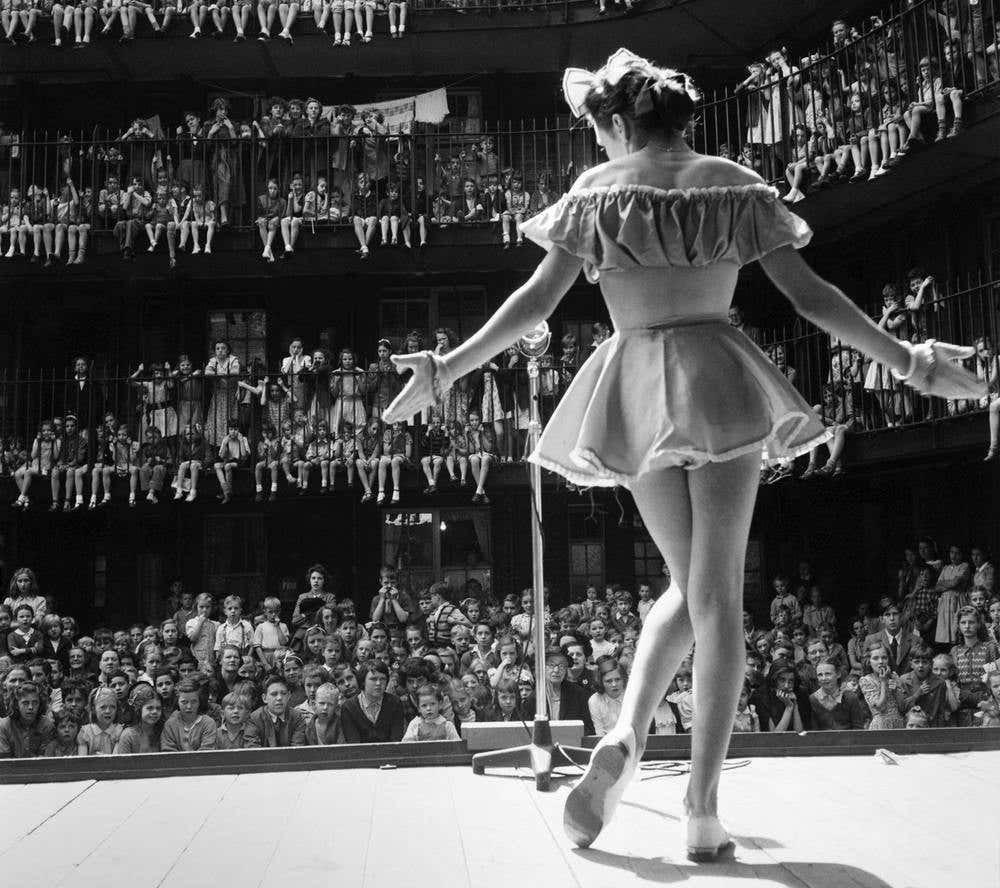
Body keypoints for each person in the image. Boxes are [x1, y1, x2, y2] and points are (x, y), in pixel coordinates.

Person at [381, 48, 982, 859]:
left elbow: (533, 304)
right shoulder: (730, 182)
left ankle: (626, 735)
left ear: (623, 123)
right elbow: (812, 296)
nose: (598, 146)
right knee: (716, 597)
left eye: (598, 130)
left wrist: (447, 367)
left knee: (688, 584)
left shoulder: (599, 193)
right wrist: (908, 361)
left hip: (633, 385)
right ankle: (702, 808)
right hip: (718, 378)